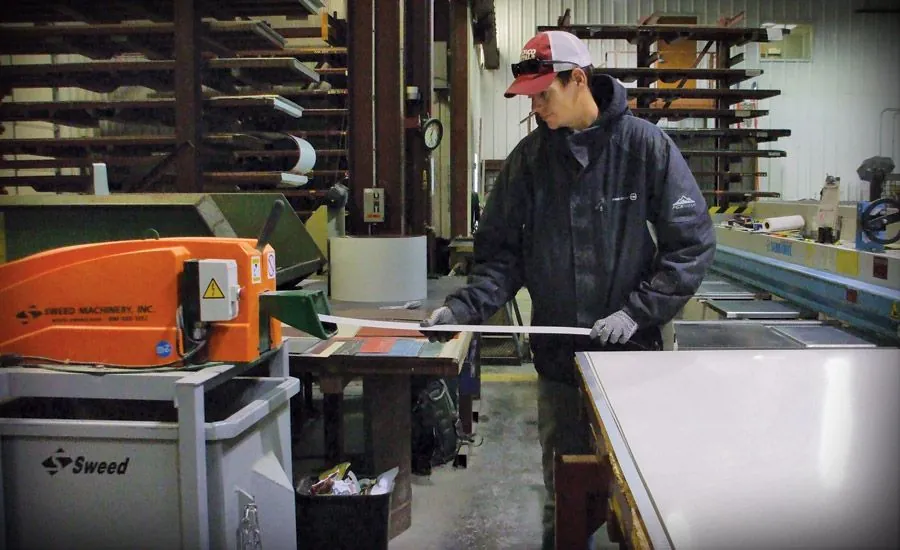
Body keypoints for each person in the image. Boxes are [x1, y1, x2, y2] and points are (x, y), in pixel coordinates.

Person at [421, 30, 716, 548]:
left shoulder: (644, 149)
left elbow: (690, 245)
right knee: (564, 493)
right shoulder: (530, 162)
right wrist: (462, 309)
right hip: (559, 363)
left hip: (631, 363)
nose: (535, 108)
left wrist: (637, 312)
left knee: (636, 496)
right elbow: (500, 258)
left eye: (543, 94)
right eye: (529, 98)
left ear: (577, 78)